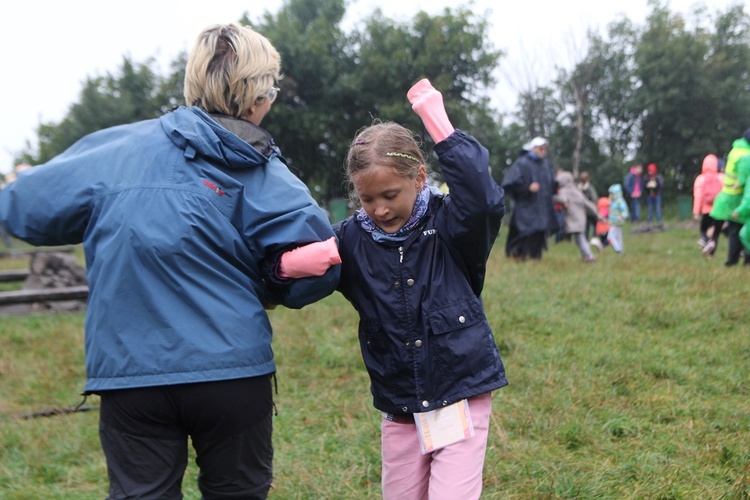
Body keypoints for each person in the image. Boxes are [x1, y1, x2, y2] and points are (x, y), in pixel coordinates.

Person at [0, 23, 341, 499]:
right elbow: (320, 263)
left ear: (193, 82)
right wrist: (271, 283)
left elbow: (23, 210)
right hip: (233, 374)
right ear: (260, 99)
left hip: (131, 375)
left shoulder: (114, 150)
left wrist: (20, 180)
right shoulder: (266, 171)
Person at [325, 79, 506, 499]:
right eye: (367, 199)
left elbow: (482, 200)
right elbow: (292, 274)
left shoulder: (451, 225)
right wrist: (286, 267)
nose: (380, 209)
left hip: (460, 394)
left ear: (420, 177)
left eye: (390, 194)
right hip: (400, 405)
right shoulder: (350, 239)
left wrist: (439, 125)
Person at [501, 136, 559, 260]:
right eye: (541, 148)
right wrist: (527, 188)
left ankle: (535, 257)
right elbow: (509, 185)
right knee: (526, 232)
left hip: (542, 206)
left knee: (540, 231)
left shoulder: (546, 164)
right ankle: (519, 256)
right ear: (533, 149)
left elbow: (552, 185)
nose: (543, 151)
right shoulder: (522, 163)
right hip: (526, 207)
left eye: (545, 149)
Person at [706, 129, 750, 265]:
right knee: (739, 229)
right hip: (739, 196)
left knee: (733, 229)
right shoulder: (746, 155)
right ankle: (738, 259)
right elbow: (743, 176)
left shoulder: (735, 150)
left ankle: (733, 259)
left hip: (728, 194)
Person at [554, 171, 600, 262]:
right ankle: (586, 256)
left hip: (572, 217)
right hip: (581, 217)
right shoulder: (576, 190)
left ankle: (589, 256)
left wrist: (552, 197)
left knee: (580, 238)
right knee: (579, 238)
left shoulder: (564, 191)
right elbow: (587, 203)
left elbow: (562, 199)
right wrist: (597, 214)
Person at [693, 154, 723, 248]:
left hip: (706, 211)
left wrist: (696, 212)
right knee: (716, 232)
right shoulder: (721, 177)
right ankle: (711, 247)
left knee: (703, 230)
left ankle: (705, 240)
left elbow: (698, 196)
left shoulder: (700, 179)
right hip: (718, 211)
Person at [607, 183, 629, 253]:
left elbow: (625, 211)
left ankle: (618, 249)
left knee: (610, 237)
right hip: (613, 222)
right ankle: (621, 250)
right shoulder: (612, 201)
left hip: (617, 222)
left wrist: (622, 216)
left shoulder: (620, 201)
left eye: (611, 194)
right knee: (618, 237)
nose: (610, 195)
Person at [578, 171, 598, 239]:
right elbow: (594, 198)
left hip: (582, 209)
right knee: (595, 224)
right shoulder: (590, 188)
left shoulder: (578, 188)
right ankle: (594, 237)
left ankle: (586, 238)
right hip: (590, 209)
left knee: (586, 225)